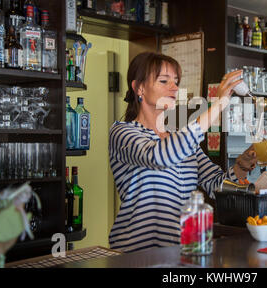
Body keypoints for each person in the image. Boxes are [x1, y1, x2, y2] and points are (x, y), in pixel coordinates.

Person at [108, 52, 258, 252]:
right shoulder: (123, 132)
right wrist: (218, 105)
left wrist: (241, 167)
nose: (174, 88)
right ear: (139, 87)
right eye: (164, 80)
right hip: (137, 255)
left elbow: (216, 185)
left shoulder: (182, 139)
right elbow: (160, 156)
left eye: (176, 81)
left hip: (181, 252)